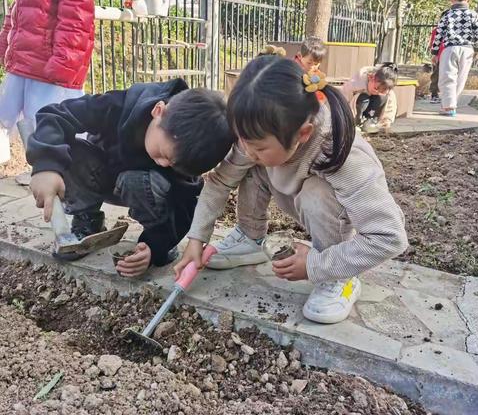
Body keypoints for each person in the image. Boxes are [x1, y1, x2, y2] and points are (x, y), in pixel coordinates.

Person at [174, 57, 408, 324]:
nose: (246, 149)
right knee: (249, 165)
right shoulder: (258, 131)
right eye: (241, 139)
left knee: (316, 192)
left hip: (327, 208)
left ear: (304, 133)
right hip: (288, 185)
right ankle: (250, 237)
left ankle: (339, 276)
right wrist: (196, 240)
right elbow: (220, 182)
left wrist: (314, 265)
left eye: (258, 146)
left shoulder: (342, 153)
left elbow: (389, 237)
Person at [27, 79, 236, 278]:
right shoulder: (118, 106)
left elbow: (185, 210)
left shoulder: (187, 155)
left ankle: (154, 235)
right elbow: (55, 115)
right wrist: (46, 166)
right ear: (158, 111)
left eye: (173, 164)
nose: (164, 164)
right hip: (102, 175)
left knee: (137, 181)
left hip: (146, 188)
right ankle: (88, 220)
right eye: (164, 154)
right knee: (70, 153)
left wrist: (155, 248)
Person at [0, 0, 104, 182]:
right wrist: (5, 40)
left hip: (51, 67)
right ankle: (40, 169)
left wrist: (63, 64)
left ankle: (66, 175)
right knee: (12, 114)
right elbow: (18, 8)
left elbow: (75, 19)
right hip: (25, 61)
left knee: (49, 122)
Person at [431, 0, 478, 117]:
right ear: (469, 0)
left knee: (447, 78)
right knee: (460, 78)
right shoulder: (473, 15)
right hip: (467, 49)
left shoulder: (447, 14)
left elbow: (439, 34)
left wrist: (435, 53)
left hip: (450, 48)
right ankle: (451, 105)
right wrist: (477, 49)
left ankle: (448, 106)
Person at [341, 63, 398, 133]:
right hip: (355, 109)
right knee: (363, 98)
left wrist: (387, 120)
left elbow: (391, 106)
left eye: (381, 91)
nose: (377, 92)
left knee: (381, 98)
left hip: (372, 111)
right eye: (376, 88)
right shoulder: (356, 84)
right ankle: (356, 124)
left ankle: (371, 123)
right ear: (370, 77)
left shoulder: (388, 91)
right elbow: (343, 99)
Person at [428, 25, 446, 104]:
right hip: (439, 55)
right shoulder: (437, 29)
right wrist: (434, 55)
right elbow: (433, 42)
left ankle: (447, 96)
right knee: (436, 75)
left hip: (450, 54)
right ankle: (434, 94)